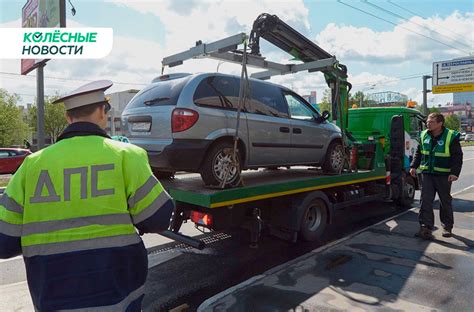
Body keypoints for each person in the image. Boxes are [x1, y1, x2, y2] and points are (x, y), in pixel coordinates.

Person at [0, 80, 174, 311]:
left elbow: (4, 243)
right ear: (103, 112)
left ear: (68, 118)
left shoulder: (31, 165)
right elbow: (158, 219)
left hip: (53, 298)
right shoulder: (127, 156)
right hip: (118, 298)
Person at [410, 112, 463, 240]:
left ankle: (447, 227)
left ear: (440, 123)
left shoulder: (451, 136)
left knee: (445, 201)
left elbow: (457, 156)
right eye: (427, 121)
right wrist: (413, 166)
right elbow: (419, 153)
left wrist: (454, 173)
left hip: (444, 174)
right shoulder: (423, 135)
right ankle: (425, 228)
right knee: (425, 201)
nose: (428, 123)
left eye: (431, 122)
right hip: (426, 173)